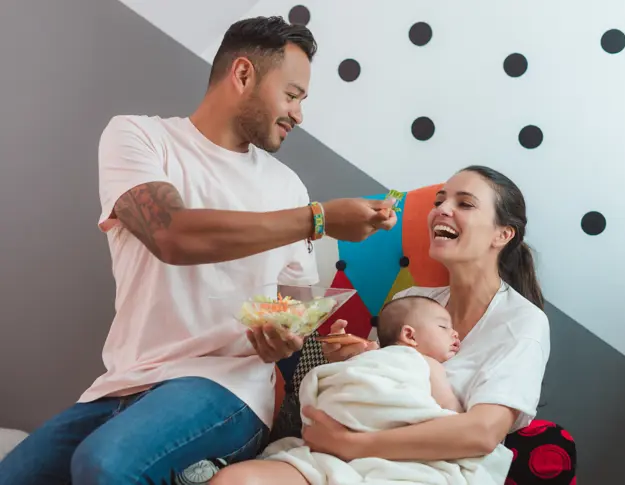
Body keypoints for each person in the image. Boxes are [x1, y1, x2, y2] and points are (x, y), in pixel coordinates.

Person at [0, 15, 397, 485]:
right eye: (291, 95)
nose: (298, 114)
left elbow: (295, 310)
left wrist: (286, 337)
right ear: (244, 74)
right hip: (125, 382)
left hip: (230, 390)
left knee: (103, 463)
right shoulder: (139, 137)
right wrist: (319, 219)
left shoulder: (286, 187)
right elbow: (172, 234)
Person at [207, 165, 550, 484]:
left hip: (432, 465)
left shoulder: (522, 322)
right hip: (346, 451)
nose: (442, 210)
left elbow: (483, 433)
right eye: (440, 201)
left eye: (465, 203)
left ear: (502, 234)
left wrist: (353, 445)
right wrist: (351, 357)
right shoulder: (415, 298)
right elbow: (378, 382)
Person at [212, 296, 521, 485]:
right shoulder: (421, 363)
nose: (454, 334)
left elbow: (457, 429)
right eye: (444, 327)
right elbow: (449, 413)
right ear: (410, 335)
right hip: (331, 446)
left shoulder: (519, 325)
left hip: (387, 455)